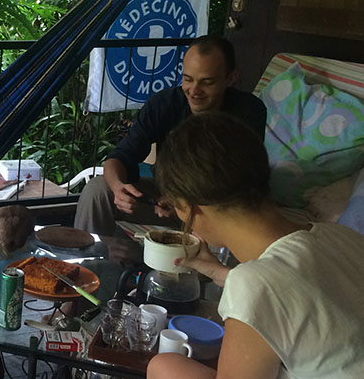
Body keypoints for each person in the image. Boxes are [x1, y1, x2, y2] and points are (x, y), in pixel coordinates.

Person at [147, 112, 364, 379]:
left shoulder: (253, 285)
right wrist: (223, 274)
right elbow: (310, 300)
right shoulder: (342, 236)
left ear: (190, 207)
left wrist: (239, 283)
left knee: (163, 367)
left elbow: (270, 290)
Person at [74, 35, 267, 237]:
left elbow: (240, 181)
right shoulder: (166, 104)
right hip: (165, 200)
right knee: (98, 191)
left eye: (207, 82)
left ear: (230, 78)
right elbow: (119, 157)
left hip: (218, 207)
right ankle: (85, 263)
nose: (194, 91)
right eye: (187, 79)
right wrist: (119, 188)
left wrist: (183, 204)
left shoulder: (248, 111)